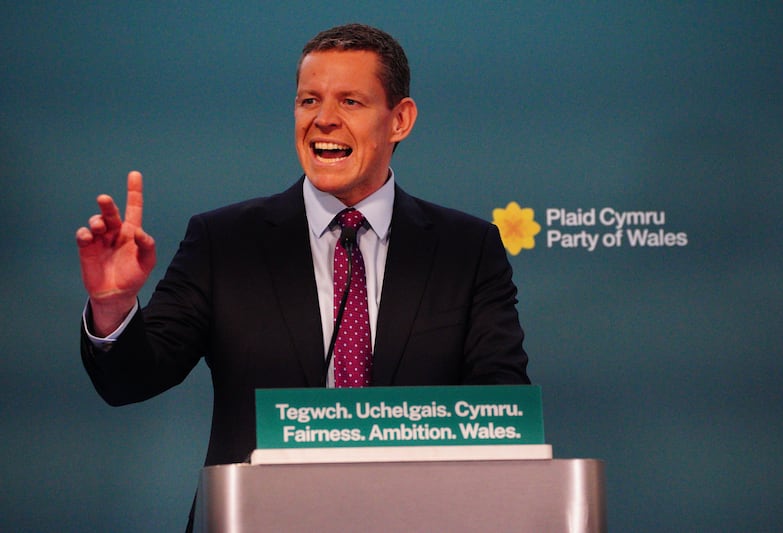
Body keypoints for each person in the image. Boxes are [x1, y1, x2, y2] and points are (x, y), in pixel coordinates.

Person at [78, 21, 528, 475]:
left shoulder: (466, 250)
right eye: (309, 100)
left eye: (350, 101)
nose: (324, 119)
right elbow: (130, 381)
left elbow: (503, 412)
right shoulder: (225, 242)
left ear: (399, 120)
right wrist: (113, 308)